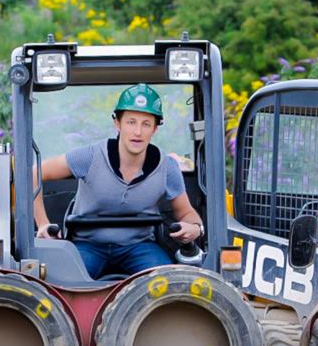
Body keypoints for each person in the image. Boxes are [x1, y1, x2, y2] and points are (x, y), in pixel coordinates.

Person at [33, 83, 204, 279]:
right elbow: (34, 174)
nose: (138, 132)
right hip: (88, 245)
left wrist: (194, 228)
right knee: (63, 282)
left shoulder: (167, 167)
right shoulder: (89, 157)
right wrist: (43, 224)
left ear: (155, 129)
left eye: (146, 124)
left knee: (168, 283)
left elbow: (187, 213)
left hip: (139, 247)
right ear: (118, 124)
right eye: (131, 122)